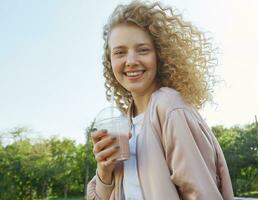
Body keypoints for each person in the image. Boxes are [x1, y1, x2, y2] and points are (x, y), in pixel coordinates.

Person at [87, 1, 234, 199]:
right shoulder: (125, 123)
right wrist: (104, 172)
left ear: (160, 55)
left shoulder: (171, 109)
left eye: (143, 50)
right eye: (120, 52)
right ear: (110, 61)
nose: (130, 61)